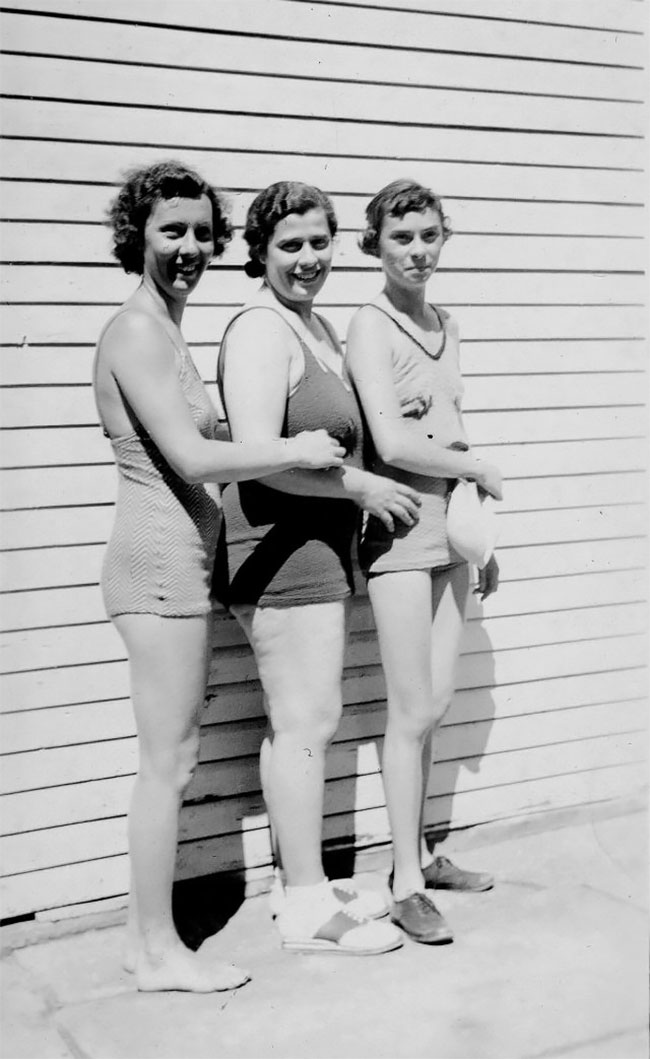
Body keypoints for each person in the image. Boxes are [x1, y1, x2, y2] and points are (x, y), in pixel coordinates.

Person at [93, 161, 345, 992]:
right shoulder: (135, 330)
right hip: (157, 569)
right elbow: (195, 455)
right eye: (173, 230)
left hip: (181, 569)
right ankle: (158, 950)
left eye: (203, 230)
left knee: (173, 755)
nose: (191, 246)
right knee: (169, 761)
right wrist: (294, 448)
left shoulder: (166, 328)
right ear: (138, 236)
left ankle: (141, 943)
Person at [217, 180, 421, 955]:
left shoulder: (313, 326)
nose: (308, 259)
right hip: (279, 555)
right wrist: (361, 484)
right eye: (289, 246)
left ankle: (299, 876)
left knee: (305, 721)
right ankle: (303, 902)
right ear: (259, 253)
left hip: (317, 553)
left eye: (318, 243)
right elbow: (260, 459)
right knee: (305, 722)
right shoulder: (261, 330)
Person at [346, 179, 503, 945]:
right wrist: (474, 470)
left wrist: (482, 537)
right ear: (374, 244)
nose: (417, 250)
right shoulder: (369, 324)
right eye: (401, 236)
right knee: (410, 708)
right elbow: (393, 441)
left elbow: (450, 424)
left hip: (452, 530)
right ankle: (405, 879)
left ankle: (426, 852)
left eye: (429, 235)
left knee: (435, 701)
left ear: (445, 239)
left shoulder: (449, 323)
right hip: (402, 528)